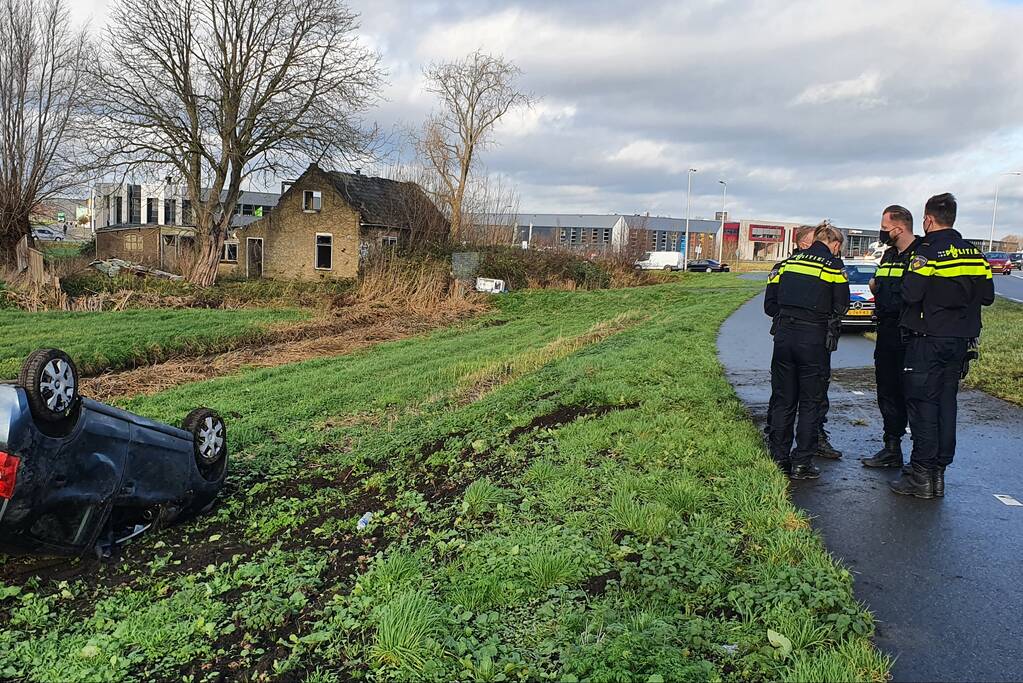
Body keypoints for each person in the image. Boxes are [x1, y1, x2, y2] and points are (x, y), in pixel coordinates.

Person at [890, 193, 994, 499]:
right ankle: (937, 475)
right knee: (947, 405)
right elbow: (987, 295)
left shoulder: (927, 251)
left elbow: (910, 293)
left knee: (923, 405)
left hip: (928, 339)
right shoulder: (975, 253)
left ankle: (920, 474)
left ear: (928, 219)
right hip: (960, 341)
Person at [764, 223, 850, 479]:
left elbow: (770, 306)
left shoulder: (785, 265)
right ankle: (802, 463)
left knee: (783, 399)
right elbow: (842, 306)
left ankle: (779, 458)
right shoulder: (833, 267)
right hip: (813, 339)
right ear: (834, 244)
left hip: (783, 337)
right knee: (811, 402)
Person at [861, 205, 920, 470]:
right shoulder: (888, 255)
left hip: (911, 335)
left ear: (900, 227)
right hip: (885, 332)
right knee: (887, 391)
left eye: (885, 228)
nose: (882, 233)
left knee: (913, 395)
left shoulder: (920, 254)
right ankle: (891, 447)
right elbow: (879, 283)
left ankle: (920, 457)